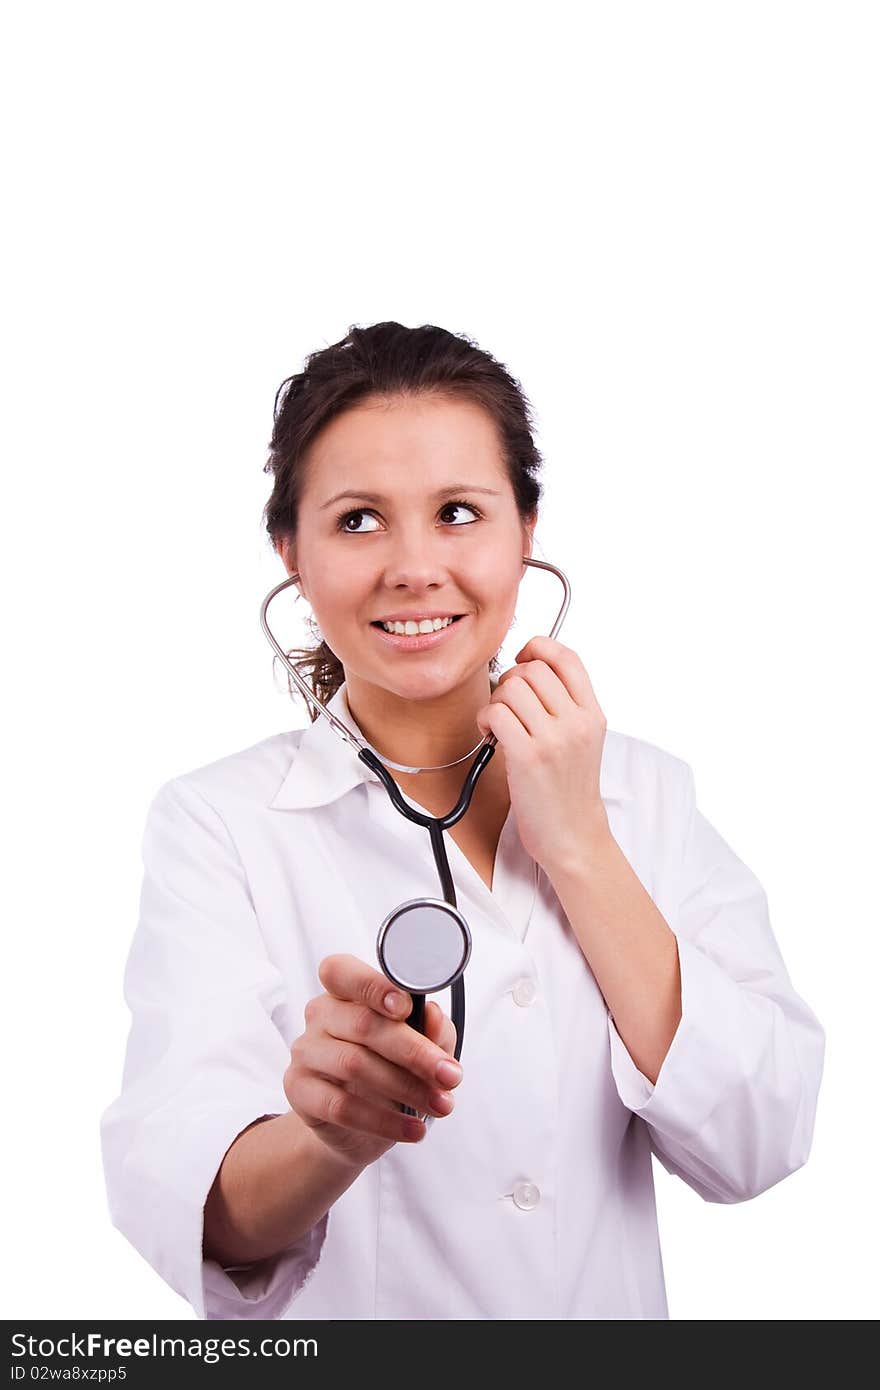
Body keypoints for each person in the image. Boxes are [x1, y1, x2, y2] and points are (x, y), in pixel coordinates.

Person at [100, 320, 826, 1321]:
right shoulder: (220, 823)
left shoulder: (645, 796)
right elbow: (197, 1203)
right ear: (290, 552)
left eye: (457, 512)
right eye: (357, 520)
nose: (412, 566)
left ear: (526, 533)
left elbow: (759, 1137)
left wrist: (576, 840)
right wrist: (329, 1139)